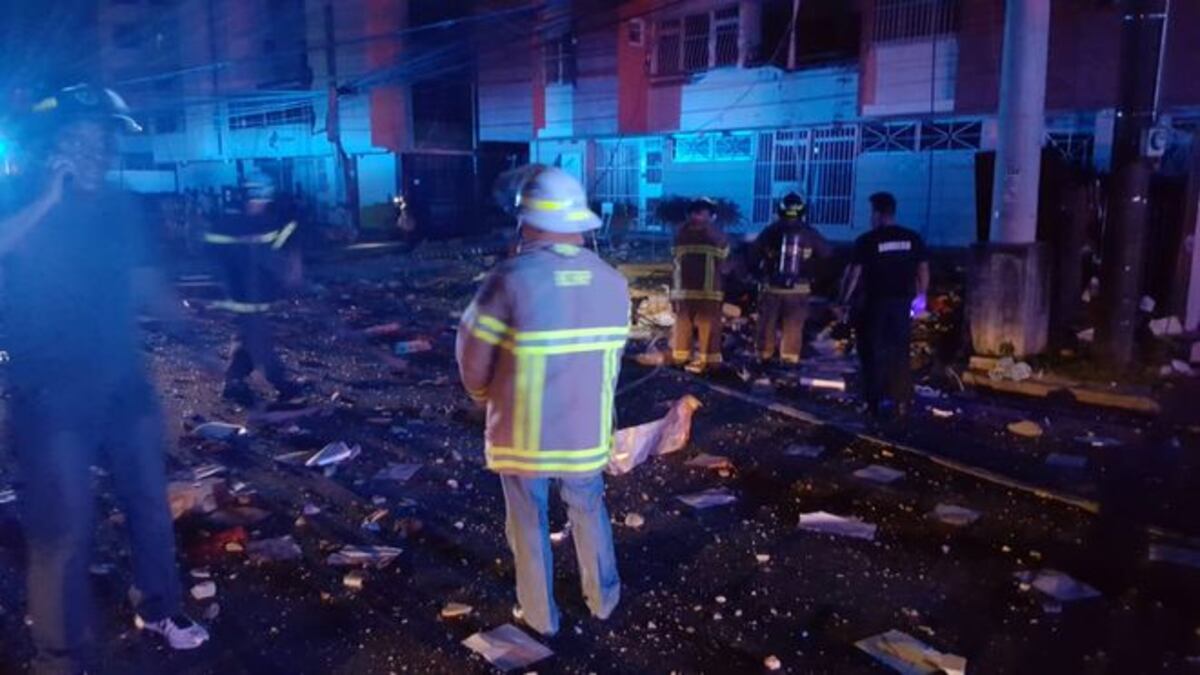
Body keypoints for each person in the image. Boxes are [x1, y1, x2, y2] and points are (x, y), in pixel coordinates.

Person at [0, 84, 210, 673]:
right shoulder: (17, 195)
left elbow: (144, 281)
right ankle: (60, 659)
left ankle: (159, 607)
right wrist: (47, 197)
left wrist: (194, 335)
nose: (95, 152)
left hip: (124, 385)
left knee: (148, 503)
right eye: (81, 140)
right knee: (63, 531)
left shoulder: (122, 207)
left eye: (103, 140)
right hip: (49, 396)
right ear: (52, 147)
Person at [456, 166, 626, 637]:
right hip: (586, 430)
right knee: (589, 509)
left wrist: (481, 396)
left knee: (528, 522)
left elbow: (472, 358)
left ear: (526, 222)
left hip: (523, 433)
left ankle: (539, 616)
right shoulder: (613, 281)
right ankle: (604, 599)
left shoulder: (507, 279)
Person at [204, 169, 304, 405]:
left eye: (264, 197)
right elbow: (217, 252)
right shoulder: (232, 223)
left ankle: (233, 381)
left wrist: (290, 267)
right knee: (260, 342)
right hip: (243, 295)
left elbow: (278, 247)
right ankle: (280, 383)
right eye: (257, 196)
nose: (260, 201)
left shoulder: (263, 222)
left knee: (245, 339)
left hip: (257, 294)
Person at [838, 192, 930, 419]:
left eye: (872, 213)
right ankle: (901, 402)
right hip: (901, 304)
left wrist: (844, 301)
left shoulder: (867, 241)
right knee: (899, 352)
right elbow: (923, 269)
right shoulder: (912, 238)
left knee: (871, 352)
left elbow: (854, 274)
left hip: (874, 304)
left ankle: (873, 403)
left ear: (877, 214)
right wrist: (921, 295)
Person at [751, 192, 832, 366]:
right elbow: (827, 254)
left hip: (771, 288)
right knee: (793, 327)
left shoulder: (770, 230)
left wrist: (759, 274)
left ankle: (763, 358)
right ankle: (789, 361)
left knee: (767, 324)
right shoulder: (810, 232)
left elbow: (753, 253)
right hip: (799, 290)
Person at [669, 197, 729, 372]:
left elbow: (674, 258)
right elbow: (726, 260)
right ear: (709, 214)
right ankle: (709, 364)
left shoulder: (680, 233)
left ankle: (680, 360)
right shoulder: (715, 234)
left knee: (682, 328)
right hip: (708, 292)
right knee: (709, 329)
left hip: (682, 292)